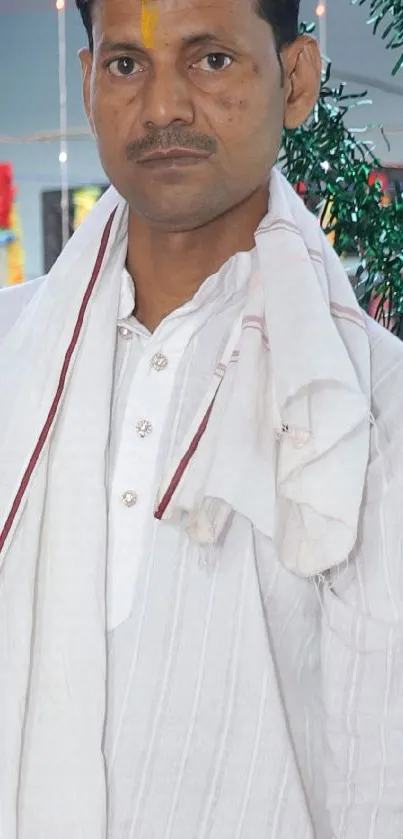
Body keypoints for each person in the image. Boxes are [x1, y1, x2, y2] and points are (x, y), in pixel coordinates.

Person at [0, 0, 403, 837]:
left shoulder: (369, 399)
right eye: (125, 64)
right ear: (87, 84)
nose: (161, 108)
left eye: (211, 59)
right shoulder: (13, 349)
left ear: (294, 81)